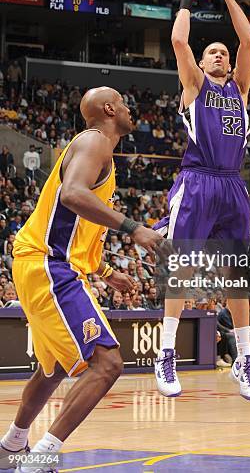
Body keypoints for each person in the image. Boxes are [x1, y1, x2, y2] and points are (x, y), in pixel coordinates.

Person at [0, 86, 162, 472]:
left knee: (52, 370)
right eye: (124, 102)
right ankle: (40, 458)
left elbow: (74, 227)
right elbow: (72, 195)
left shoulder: (94, 148)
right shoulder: (95, 141)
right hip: (47, 264)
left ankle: (12, 447)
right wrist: (133, 226)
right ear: (109, 108)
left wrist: (106, 272)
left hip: (41, 263)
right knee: (107, 365)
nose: (129, 108)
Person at [153, 0, 250, 401]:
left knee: (238, 275)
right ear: (200, 62)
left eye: (224, 51)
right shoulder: (195, 87)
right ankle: (165, 354)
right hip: (197, 181)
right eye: (212, 51)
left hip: (233, 185)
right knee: (182, 266)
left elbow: (248, 38)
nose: (221, 53)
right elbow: (179, 39)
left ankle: (245, 357)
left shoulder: (239, 89)